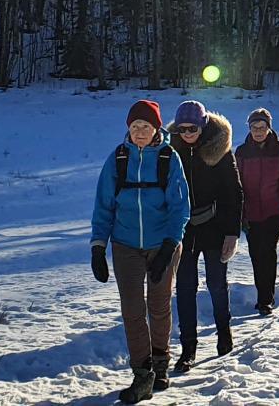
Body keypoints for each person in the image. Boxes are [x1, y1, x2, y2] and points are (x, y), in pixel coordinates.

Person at [90, 100, 191, 404]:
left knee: (158, 306)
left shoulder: (168, 159)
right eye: (134, 127)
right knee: (132, 309)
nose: (139, 132)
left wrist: (170, 246)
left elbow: (180, 208)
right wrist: (98, 247)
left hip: (163, 244)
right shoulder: (118, 159)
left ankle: (160, 364)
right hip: (125, 246)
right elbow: (103, 206)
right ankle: (142, 372)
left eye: (145, 127)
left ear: (156, 128)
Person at [166, 101, 242, 373]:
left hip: (215, 226)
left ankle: (224, 332)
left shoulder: (219, 149)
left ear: (203, 125)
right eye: (182, 128)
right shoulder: (170, 151)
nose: (187, 133)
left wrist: (232, 233)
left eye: (193, 128)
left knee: (216, 283)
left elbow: (234, 193)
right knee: (185, 288)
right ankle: (188, 349)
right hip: (184, 230)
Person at [236, 107, 279, 315]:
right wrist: (238, 214)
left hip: (275, 210)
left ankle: (267, 299)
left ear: (269, 128)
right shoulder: (242, 151)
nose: (258, 131)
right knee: (256, 254)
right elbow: (236, 185)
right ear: (249, 128)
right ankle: (262, 295)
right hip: (250, 213)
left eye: (262, 127)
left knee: (268, 250)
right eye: (254, 127)